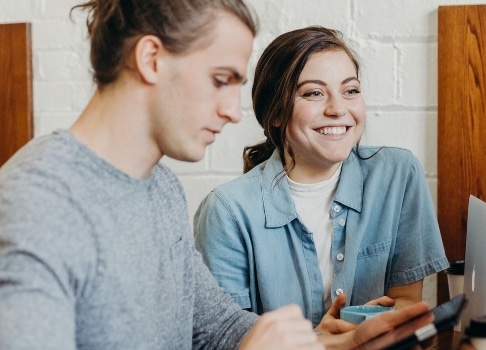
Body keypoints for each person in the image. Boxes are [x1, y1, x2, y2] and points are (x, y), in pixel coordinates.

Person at [0, 1, 432, 349]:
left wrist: (320, 342)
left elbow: (217, 329)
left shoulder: (160, 187)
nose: (231, 110)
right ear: (151, 59)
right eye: (220, 79)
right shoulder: (37, 205)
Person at [194, 25, 449, 328]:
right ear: (275, 113)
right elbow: (224, 338)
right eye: (314, 93)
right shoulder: (226, 211)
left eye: (350, 90)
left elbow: (407, 300)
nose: (337, 109)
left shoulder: (397, 174)